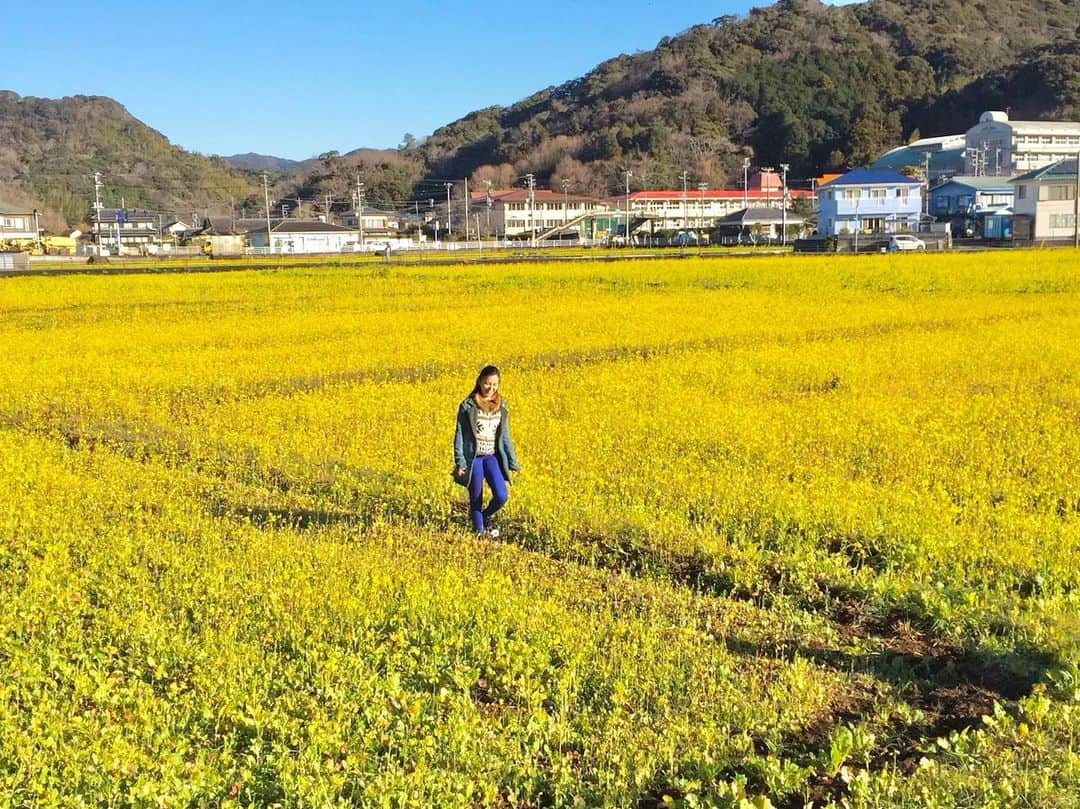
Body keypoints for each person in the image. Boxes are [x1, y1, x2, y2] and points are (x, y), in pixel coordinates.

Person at [452, 365, 520, 537]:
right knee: (476, 496)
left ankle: (485, 515)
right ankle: (479, 532)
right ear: (480, 382)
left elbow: (505, 436)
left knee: (501, 495)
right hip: (474, 458)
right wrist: (460, 461)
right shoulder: (468, 405)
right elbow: (459, 434)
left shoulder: (501, 407)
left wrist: (512, 461)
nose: (491, 388)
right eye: (487, 383)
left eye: (495, 384)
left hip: (491, 457)